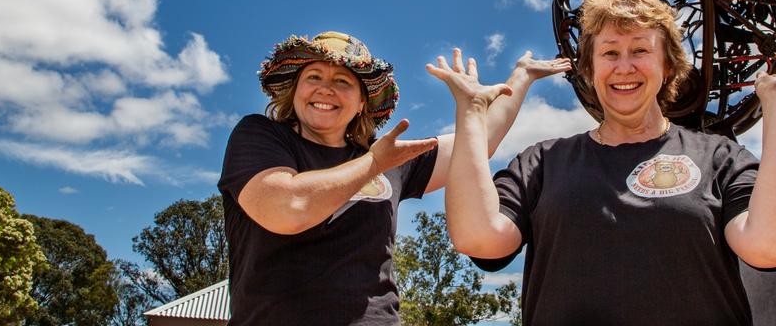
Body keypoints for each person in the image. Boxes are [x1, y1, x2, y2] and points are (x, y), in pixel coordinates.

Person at [427, 0, 776, 325]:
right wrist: (471, 114)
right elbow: (479, 238)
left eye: (640, 50)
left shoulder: (719, 158)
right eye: (609, 53)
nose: (624, 66)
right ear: (588, 70)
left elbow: (773, 245)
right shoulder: (543, 162)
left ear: (668, 66)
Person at [218, 31, 568, 325]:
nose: (326, 89)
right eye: (314, 77)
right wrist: (372, 164)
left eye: (342, 82)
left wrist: (519, 79)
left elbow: (477, 144)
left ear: (361, 105)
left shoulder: (390, 158)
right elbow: (287, 208)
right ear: (295, 91)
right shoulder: (261, 137)